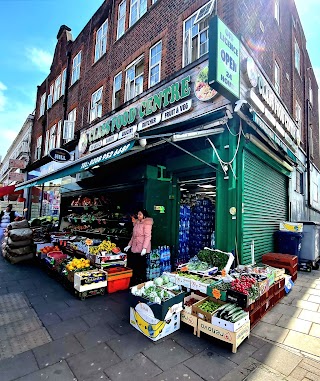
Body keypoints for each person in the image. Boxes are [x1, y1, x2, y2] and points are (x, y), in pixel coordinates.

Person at [124, 209, 153, 285]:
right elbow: (133, 236)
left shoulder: (147, 223)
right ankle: (135, 280)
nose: (138, 216)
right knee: (135, 264)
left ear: (144, 215)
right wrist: (129, 245)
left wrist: (144, 248)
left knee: (141, 265)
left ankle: (141, 281)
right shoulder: (137, 223)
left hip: (142, 247)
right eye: (138, 214)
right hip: (135, 246)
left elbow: (147, 237)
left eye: (140, 214)